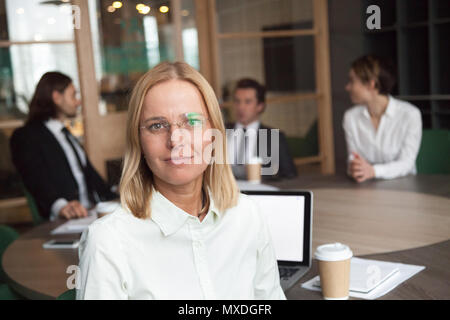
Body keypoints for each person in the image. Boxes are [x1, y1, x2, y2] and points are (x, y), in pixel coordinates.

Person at [76, 62, 285, 300]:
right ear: (139, 141)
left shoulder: (248, 215)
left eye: (192, 122)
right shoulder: (107, 241)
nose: (176, 140)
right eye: (157, 125)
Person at [10, 72, 117, 220]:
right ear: (57, 97)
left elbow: (93, 178)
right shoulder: (27, 136)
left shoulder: (67, 135)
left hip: (90, 213)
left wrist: (118, 192)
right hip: (64, 219)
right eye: (73, 95)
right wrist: (60, 206)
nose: (78, 102)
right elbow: (35, 178)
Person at [343, 55, 422, 182]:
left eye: (352, 81)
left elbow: (407, 163)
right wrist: (354, 167)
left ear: (371, 84)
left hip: (405, 187)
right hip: (365, 188)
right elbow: (353, 158)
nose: (347, 87)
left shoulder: (410, 114)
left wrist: (373, 171)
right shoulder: (350, 117)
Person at [226, 78, 297, 180]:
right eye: (237, 101)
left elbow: (290, 175)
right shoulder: (221, 131)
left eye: (247, 102)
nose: (241, 107)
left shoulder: (275, 137)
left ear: (260, 106)